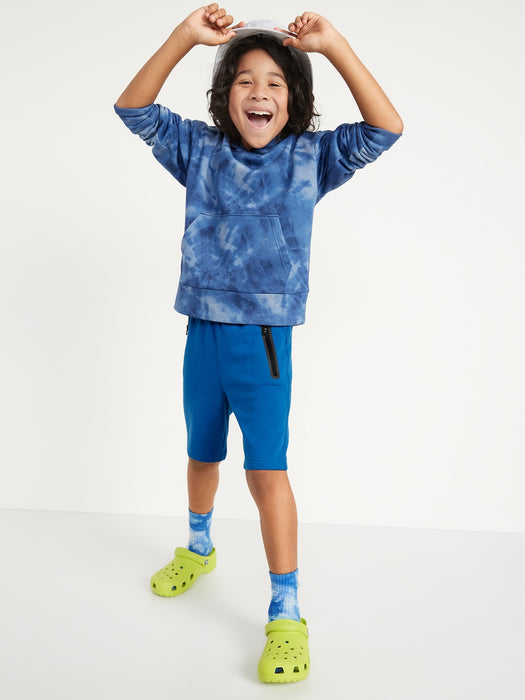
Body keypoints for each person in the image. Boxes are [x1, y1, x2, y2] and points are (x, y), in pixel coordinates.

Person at [115, 4, 402, 684]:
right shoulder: (199, 150)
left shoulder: (311, 157)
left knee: (265, 473)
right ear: (224, 96)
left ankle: (286, 612)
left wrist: (334, 47)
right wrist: (185, 37)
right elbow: (132, 108)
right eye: (244, 80)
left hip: (264, 342)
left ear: (294, 99)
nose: (259, 92)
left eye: (275, 82)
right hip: (201, 331)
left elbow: (386, 127)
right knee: (201, 453)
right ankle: (198, 547)